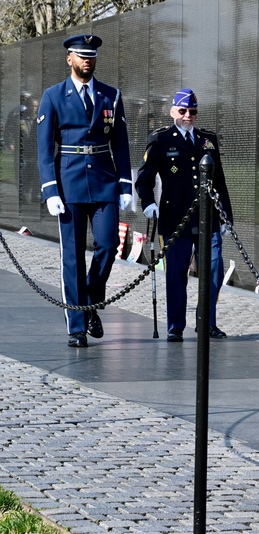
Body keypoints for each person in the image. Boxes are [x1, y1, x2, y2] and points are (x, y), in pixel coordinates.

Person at [36, 34, 133, 347]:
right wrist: (51, 190)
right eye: (81, 55)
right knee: (73, 257)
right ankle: (77, 325)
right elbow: (43, 148)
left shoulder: (110, 95)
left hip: (104, 181)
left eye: (91, 56)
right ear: (70, 59)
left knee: (107, 245)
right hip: (69, 182)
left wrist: (125, 184)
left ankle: (91, 297)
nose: (87, 60)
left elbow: (120, 142)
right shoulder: (53, 96)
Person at [134, 89, 233, 342]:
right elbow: (144, 180)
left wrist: (226, 217)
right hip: (175, 218)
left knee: (213, 272)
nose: (188, 116)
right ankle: (176, 326)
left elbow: (219, 180)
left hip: (208, 216)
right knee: (176, 274)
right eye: (183, 111)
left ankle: (207, 322)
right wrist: (148, 203)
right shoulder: (160, 139)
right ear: (172, 112)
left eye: (193, 112)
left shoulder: (208, 139)